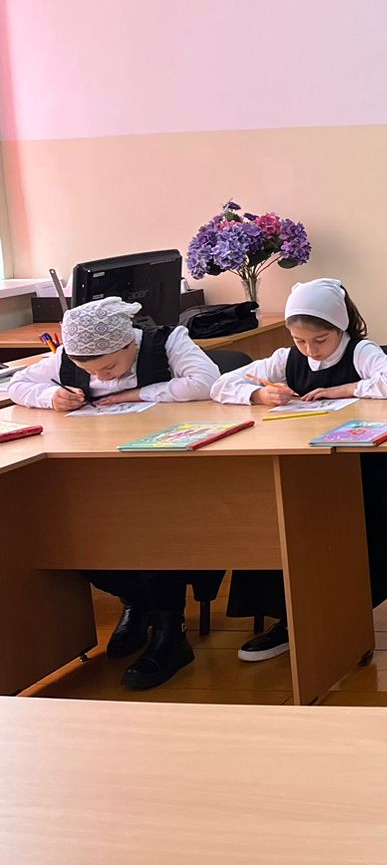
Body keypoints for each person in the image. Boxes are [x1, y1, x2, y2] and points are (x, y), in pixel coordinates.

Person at [210, 277, 387, 662]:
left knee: (359, 520)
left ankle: (343, 613)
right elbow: (220, 385)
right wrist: (258, 393)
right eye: (300, 341)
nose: (310, 350)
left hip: (361, 471)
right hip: (304, 467)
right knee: (275, 513)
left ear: (340, 328)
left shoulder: (360, 352)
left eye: (320, 340)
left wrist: (344, 389)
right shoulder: (287, 359)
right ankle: (289, 618)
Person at [9, 296, 221, 690]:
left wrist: (136, 394)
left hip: (164, 470)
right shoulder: (68, 358)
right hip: (93, 467)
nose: (101, 378)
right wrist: (50, 397)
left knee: (153, 527)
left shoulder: (167, 342)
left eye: (108, 368)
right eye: (89, 371)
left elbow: (206, 381)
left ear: (130, 343)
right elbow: (19, 383)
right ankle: (138, 602)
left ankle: (169, 629)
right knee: (68, 532)